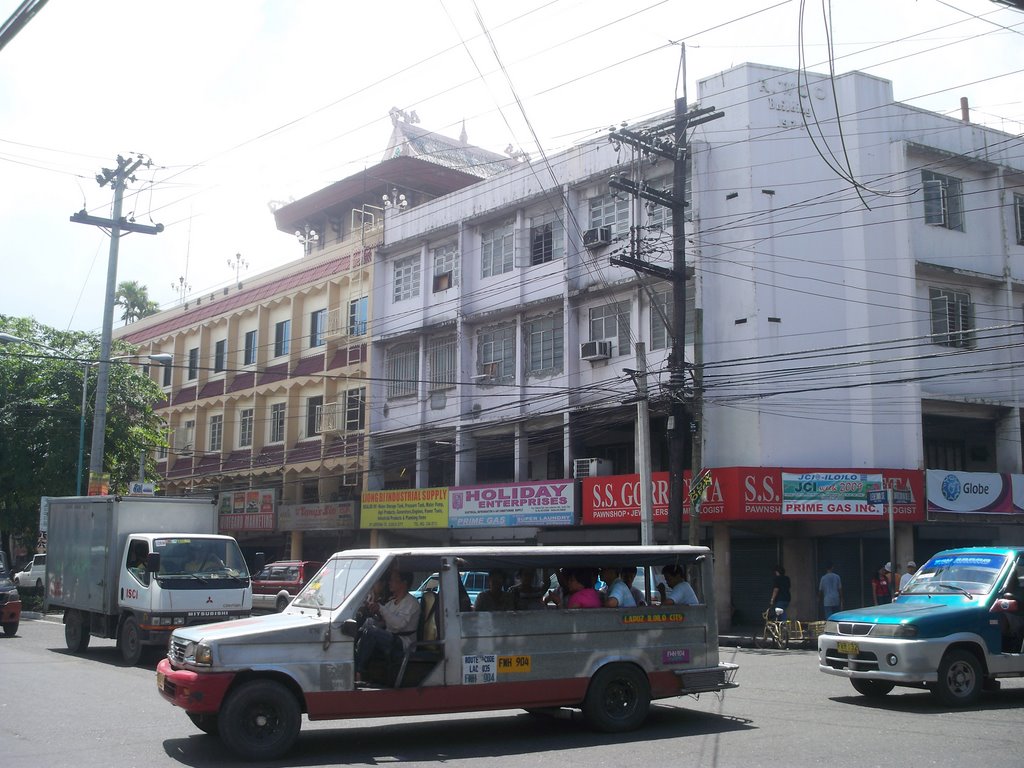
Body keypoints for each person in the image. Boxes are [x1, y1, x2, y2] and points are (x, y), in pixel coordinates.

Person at [354, 569, 420, 684]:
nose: (389, 583)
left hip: (403, 643)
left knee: (372, 632)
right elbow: (383, 623)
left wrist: (381, 609)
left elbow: (398, 625)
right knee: (363, 628)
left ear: (403, 583)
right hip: (390, 638)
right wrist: (376, 613)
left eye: (393, 580)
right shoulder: (391, 602)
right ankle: (355, 666)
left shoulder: (411, 603)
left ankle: (359, 672)